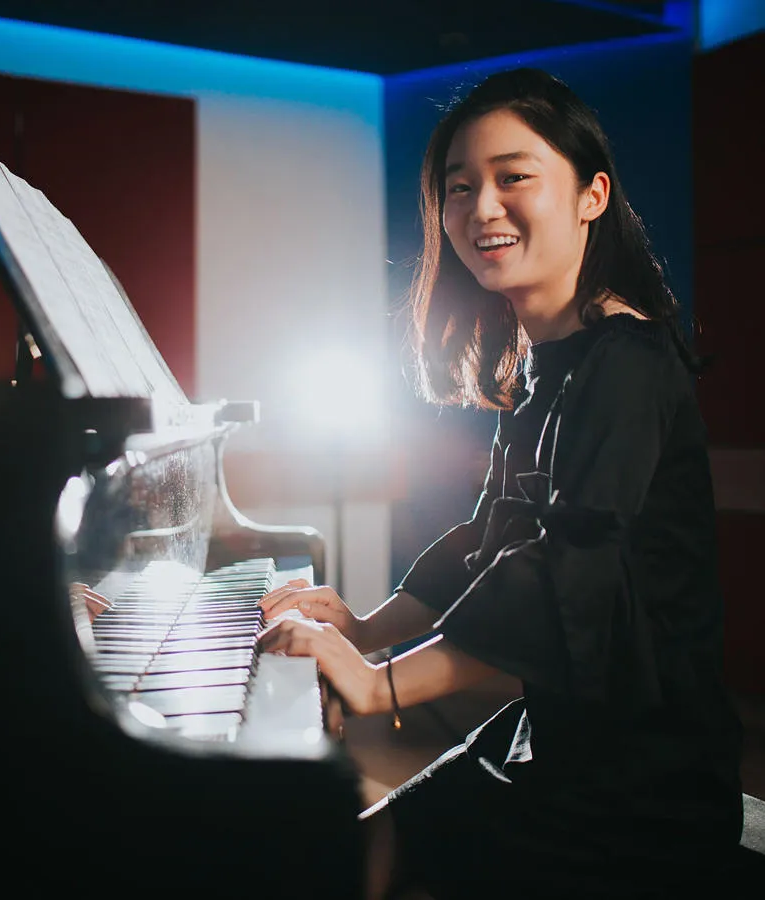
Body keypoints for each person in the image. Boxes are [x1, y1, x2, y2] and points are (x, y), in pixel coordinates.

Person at [257, 67, 744, 899]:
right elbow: (496, 531)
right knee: (353, 850)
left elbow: (567, 576)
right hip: (553, 737)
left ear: (592, 195)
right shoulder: (548, 359)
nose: (481, 207)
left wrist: (379, 685)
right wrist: (369, 628)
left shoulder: (626, 360)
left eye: (513, 177)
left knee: (356, 866)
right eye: (459, 187)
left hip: (638, 787)